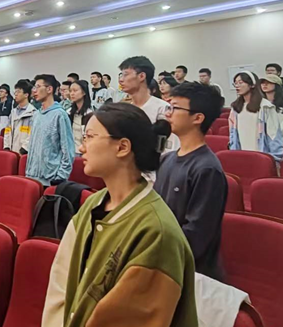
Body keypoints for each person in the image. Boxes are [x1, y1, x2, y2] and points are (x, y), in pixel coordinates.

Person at [42, 103, 197, 327]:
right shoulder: (94, 203)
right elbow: (61, 280)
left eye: (90, 137)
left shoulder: (156, 232)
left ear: (122, 147)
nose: (82, 147)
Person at [155, 82, 227, 281]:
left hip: (189, 272)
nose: (168, 114)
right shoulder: (167, 159)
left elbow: (196, 235)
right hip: (162, 261)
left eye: (175, 108)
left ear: (197, 118)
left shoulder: (207, 169)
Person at [119, 57, 177, 151]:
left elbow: (167, 149)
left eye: (125, 75)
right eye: (121, 75)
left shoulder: (163, 108)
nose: (121, 80)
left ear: (141, 76)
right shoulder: (125, 109)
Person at [26, 74, 74, 186]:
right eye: (34, 87)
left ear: (49, 89)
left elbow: (67, 149)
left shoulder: (60, 115)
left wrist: (60, 177)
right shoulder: (36, 114)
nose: (34, 91)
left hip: (51, 179)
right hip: (32, 177)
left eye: (38, 87)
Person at [228, 72, 283, 162]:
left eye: (240, 82)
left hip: (260, 155)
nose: (237, 86)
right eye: (235, 83)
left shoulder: (265, 107)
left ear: (252, 84)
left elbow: (273, 134)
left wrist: (275, 157)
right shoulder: (235, 108)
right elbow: (233, 134)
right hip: (241, 154)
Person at [5, 80, 36, 154]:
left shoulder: (33, 113)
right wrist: (6, 146)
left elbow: (33, 134)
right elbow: (7, 131)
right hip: (11, 151)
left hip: (25, 153)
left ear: (26, 95)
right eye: (15, 92)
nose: (15, 94)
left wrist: (24, 149)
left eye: (18, 92)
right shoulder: (13, 112)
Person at [69, 80, 93, 155]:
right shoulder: (69, 113)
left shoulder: (90, 114)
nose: (72, 93)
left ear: (84, 92)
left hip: (84, 152)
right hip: (71, 151)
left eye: (75, 90)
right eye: (70, 91)